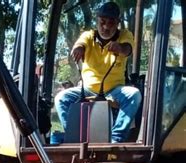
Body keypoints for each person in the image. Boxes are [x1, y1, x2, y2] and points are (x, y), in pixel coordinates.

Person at [54, 2, 141, 143]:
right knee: (60, 99)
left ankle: (116, 138)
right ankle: (73, 135)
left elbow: (127, 49)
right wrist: (78, 49)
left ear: (118, 23)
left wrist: (119, 48)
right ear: (97, 20)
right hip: (87, 90)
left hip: (115, 90)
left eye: (111, 23)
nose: (106, 27)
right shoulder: (89, 36)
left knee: (134, 94)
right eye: (102, 22)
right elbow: (79, 44)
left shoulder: (124, 35)